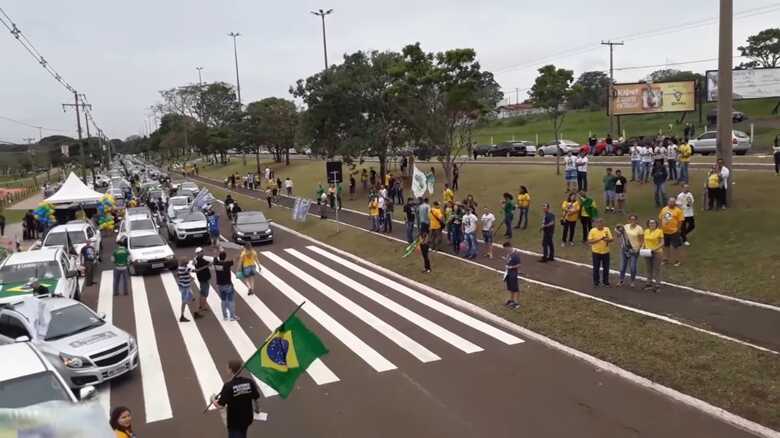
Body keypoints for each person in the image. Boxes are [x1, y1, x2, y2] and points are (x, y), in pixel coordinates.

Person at [214, 359, 261, 438]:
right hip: (247, 418)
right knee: (243, 433)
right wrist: (257, 409)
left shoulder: (228, 386)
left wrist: (213, 400)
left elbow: (220, 405)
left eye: (227, 368)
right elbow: (256, 398)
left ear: (230, 370)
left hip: (234, 422)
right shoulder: (249, 382)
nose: (226, 369)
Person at [616, 215, 643, 287]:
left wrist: (637, 249)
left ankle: (632, 281)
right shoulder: (625, 226)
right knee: (622, 267)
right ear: (629, 220)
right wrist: (617, 231)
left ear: (636, 220)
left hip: (634, 250)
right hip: (624, 249)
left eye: (634, 219)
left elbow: (641, 240)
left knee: (632, 267)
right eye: (631, 219)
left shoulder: (639, 228)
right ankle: (621, 280)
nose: (632, 221)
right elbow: (619, 235)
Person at [659, 197, 684, 267]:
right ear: (668, 202)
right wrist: (661, 228)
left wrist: (678, 230)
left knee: (675, 247)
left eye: (673, 202)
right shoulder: (664, 209)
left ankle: (677, 260)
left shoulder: (678, 211)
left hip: (674, 232)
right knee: (666, 246)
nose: (671, 203)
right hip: (664, 231)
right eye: (670, 202)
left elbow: (680, 221)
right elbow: (661, 218)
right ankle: (665, 259)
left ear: (675, 203)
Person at [587, 218, 612, 287]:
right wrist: (600, 239)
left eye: (601, 223)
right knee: (596, 268)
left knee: (606, 268)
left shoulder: (607, 229)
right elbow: (590, 241)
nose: (600, 224)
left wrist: (608, 240)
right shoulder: (592, 231)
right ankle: (596, 282)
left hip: (606, 252)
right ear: (596, 224)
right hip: (596, 252)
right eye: (598, 223)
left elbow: (611, 239)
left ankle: (605, 281)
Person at [213, 249, 237, 321]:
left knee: (223, 300)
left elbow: (215, 258)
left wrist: (216, 252)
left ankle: (225, 316)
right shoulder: (227, 264)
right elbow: (234, 260)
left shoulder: (216, 263)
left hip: (220, 285)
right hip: (228, 284)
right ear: (225, 257)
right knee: (231, 300)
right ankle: (232, 316)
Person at [641, 219, 664, 292]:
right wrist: (642, 247)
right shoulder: (646, 231)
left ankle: (657, 285)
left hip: (657, 252)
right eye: (650, 223)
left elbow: (662, 242)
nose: (652, 224)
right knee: (648, 268)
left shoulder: (659, 231)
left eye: (653, 223)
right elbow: (644, 241)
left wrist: (655, 249)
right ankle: (648, 283)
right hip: (647, 252)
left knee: (657, 269)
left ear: (656, 224)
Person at [502, 241, 521, 309]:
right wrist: (506, 259)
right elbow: (508, 261)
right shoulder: (508, 253)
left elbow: (519, 264)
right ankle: (511, 300)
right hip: (508, 273)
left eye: (505, 248)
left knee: (515, 288)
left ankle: (516, 303)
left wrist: (511, 267)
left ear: (509, 247)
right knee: (510, 288)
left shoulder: (516, 254)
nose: (505, 250)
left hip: (513, 273)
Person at [193, 247, 212, 314]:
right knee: (205, 293)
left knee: (202, 292)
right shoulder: (201, 259)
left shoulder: (195, 259)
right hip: (204, 278)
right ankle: (203, 306)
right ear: (199, 253)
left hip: (200, 278)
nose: (203, 252)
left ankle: (201, 305)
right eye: (202, 251)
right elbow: (209, 263)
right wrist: (208, 265)